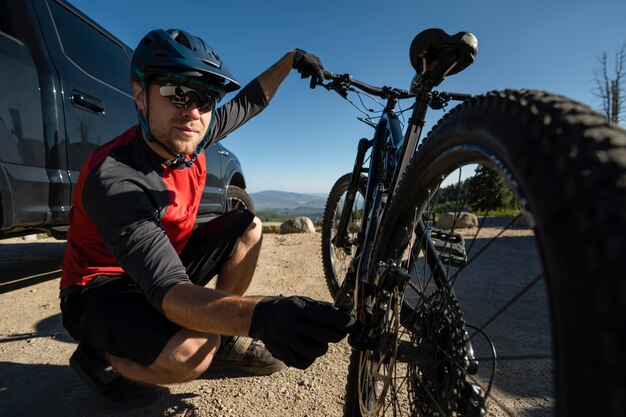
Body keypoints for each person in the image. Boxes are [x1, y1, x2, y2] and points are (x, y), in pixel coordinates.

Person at [58, 28, 353, 410]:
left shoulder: (192, 135)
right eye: (175, 92)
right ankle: (99, 358)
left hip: (162, 265)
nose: (192, 111)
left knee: (248, 225)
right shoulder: (116, 177)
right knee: (192, 353)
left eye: (205, 98)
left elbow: (251, 100)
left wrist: (292, 57)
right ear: (139, 94)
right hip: (99, 288)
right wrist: (263, 317)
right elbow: (169, 289)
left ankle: (222, 333)